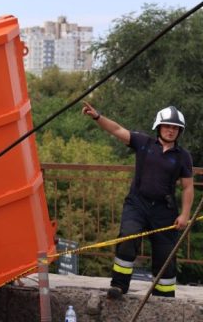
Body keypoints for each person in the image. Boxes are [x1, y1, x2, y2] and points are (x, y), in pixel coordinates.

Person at [81, 102, 193, 299]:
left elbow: (187, 187)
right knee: (128, 237)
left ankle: (164, 297)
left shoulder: (183, 156)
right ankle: (119, 286)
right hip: (137, 204)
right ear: (159, 127)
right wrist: (97, 116)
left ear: (179, 131)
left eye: (175, 128)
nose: (170, 130)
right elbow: (117, 129)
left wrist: (184, 215)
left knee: (165, 255)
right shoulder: (144, 143)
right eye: (167, 126)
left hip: (164, 210)